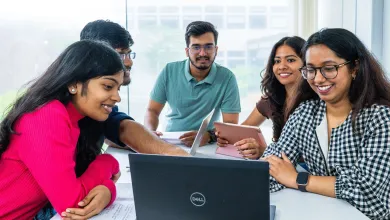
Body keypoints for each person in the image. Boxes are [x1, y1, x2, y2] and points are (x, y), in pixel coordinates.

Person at [261, 28, 390, 219]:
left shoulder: (380, 118)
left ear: (354, 68)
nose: (318, 79)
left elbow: (367, 192)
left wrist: (297, 179)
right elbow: (273, 164)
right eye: (311, 69)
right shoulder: (306, 112)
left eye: (329, 68)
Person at [0, 40, 124, 219]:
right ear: (74, 84)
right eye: (108, 86)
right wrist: (109, 163)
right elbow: (71, 204)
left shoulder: (74, 120)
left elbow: (74, 191)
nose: (117, 97)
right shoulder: (46, 117)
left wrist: (107, 191)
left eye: (118, 88)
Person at [79, 20, 187, 156]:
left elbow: (118, 126)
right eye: (120, 55)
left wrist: (147, 141)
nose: (129, 62)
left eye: (128, 54)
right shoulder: (58, 112)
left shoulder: (99, 103)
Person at [144, 21, 241, 147]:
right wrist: (150, 132)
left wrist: (207, 136)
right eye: (196, 47)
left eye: (208, 47)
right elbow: (152, 110)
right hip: (171, 141)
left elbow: (230, 125)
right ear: (187, 51)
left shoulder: (227, 78)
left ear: (216, 50)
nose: (202, 53)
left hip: (208, 143)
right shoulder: (169, 71)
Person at [216, 36, 305, 159]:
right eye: (277, 61)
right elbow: (242, 130)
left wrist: (264, 151)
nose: (282, 66)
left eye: (290, 60)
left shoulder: (315, 102)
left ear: (306, 63)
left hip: (305, 170)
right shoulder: (271, 99)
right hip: (278, 166)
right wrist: (226, 138)